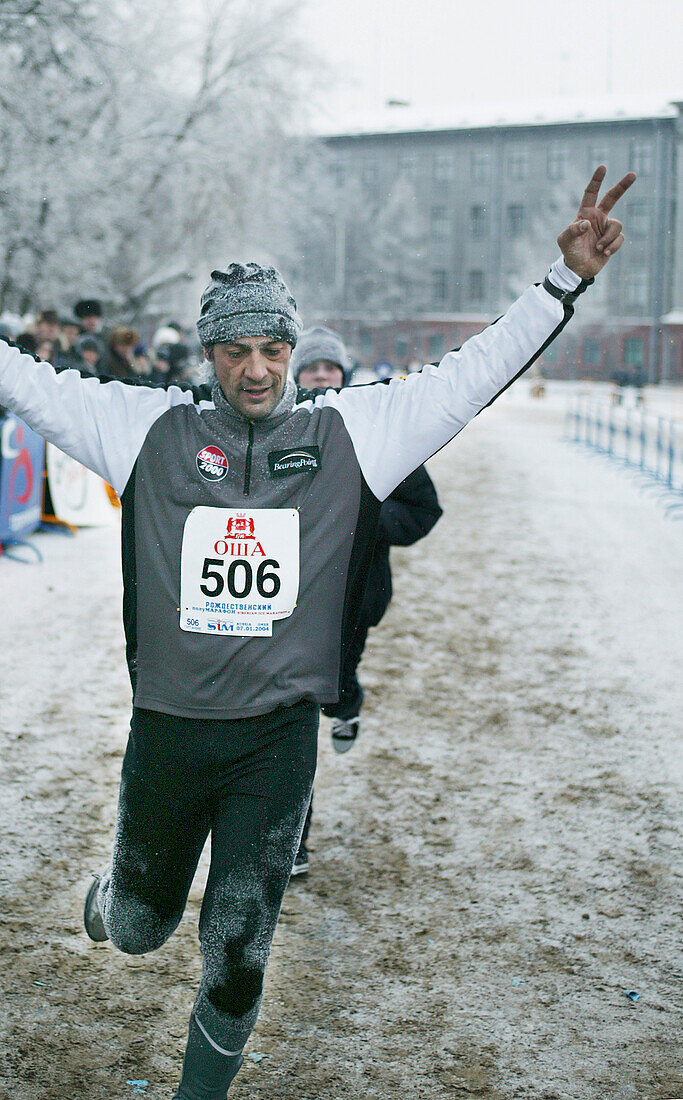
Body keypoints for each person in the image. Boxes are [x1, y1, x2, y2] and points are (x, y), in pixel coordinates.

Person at [0, 167, 634, 1098]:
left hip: (276, 741)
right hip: (170, 735)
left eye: (272, 348)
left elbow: (468, 377)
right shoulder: (147, 432)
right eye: (235, 352)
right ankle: (115, 900)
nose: (256, 369)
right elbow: (27, 382)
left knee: (239, 954)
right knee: (141, 930)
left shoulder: (352, 435)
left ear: (293, 350)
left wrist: (560, 284)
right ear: (208, 358)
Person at [290, 326, 443, 875]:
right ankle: (291, 841)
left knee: (335, 679)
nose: (322, 378)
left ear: (344, 373)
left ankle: (347, 700)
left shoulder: (377, 429)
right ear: (296, 373)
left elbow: (425, 510)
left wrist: (369, 520)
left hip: (355, 598)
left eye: (331, 369)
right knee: (294, 715)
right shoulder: (275, 425)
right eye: (311, 369)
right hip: (287, 602)